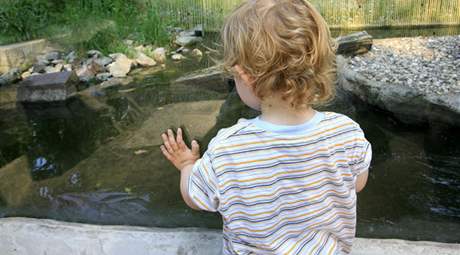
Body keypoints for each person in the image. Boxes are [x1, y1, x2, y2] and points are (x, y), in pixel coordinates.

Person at [160, 0, 372, 254]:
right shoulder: (346, 133)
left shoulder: (228, 149)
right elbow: (357, 183)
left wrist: (186, 166)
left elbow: (195, 197)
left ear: (246, 77)